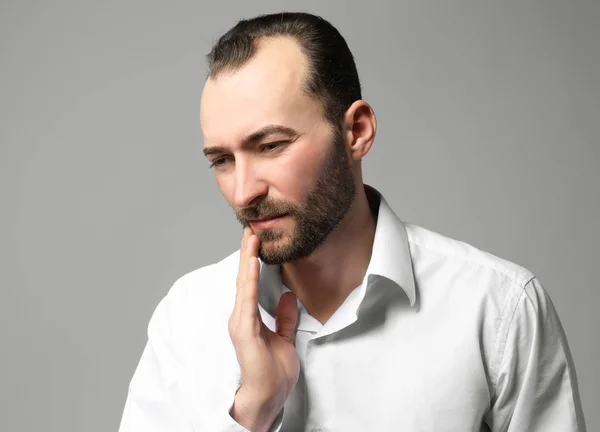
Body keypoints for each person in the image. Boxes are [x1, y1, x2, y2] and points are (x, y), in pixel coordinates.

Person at [118, 12, 586, 432]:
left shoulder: (497, 308)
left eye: (271, 145)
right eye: (221, 159)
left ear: (357, 131)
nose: (243, 193)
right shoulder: (186, 317)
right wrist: (251, 414)